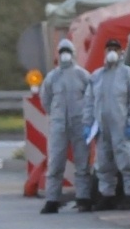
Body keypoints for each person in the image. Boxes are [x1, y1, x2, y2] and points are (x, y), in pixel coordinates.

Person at [38, 38, 92, 214]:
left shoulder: (82, 75)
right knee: (55, 163)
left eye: (67, 51)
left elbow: (91, 97)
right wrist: (56, 116)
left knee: (82, 163)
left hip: (79, 124)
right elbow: (45, 99)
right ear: (58, 55)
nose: (65, 55)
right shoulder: (52, 77)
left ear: (73, 53)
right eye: (62, 52)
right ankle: (52, 199)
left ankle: (84, 199)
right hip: (59, 126)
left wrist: (87, 118)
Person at [88, 37, 130, 209]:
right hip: (103, 128)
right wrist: (88, 124)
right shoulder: (97, 76)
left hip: (122, 127)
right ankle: (107, 195)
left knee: (126, 162)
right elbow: (89, 102)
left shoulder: (128, 74)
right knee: (104, 163)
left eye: (116, 49)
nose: (112, 52)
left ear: (121, 52)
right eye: (109, 48)